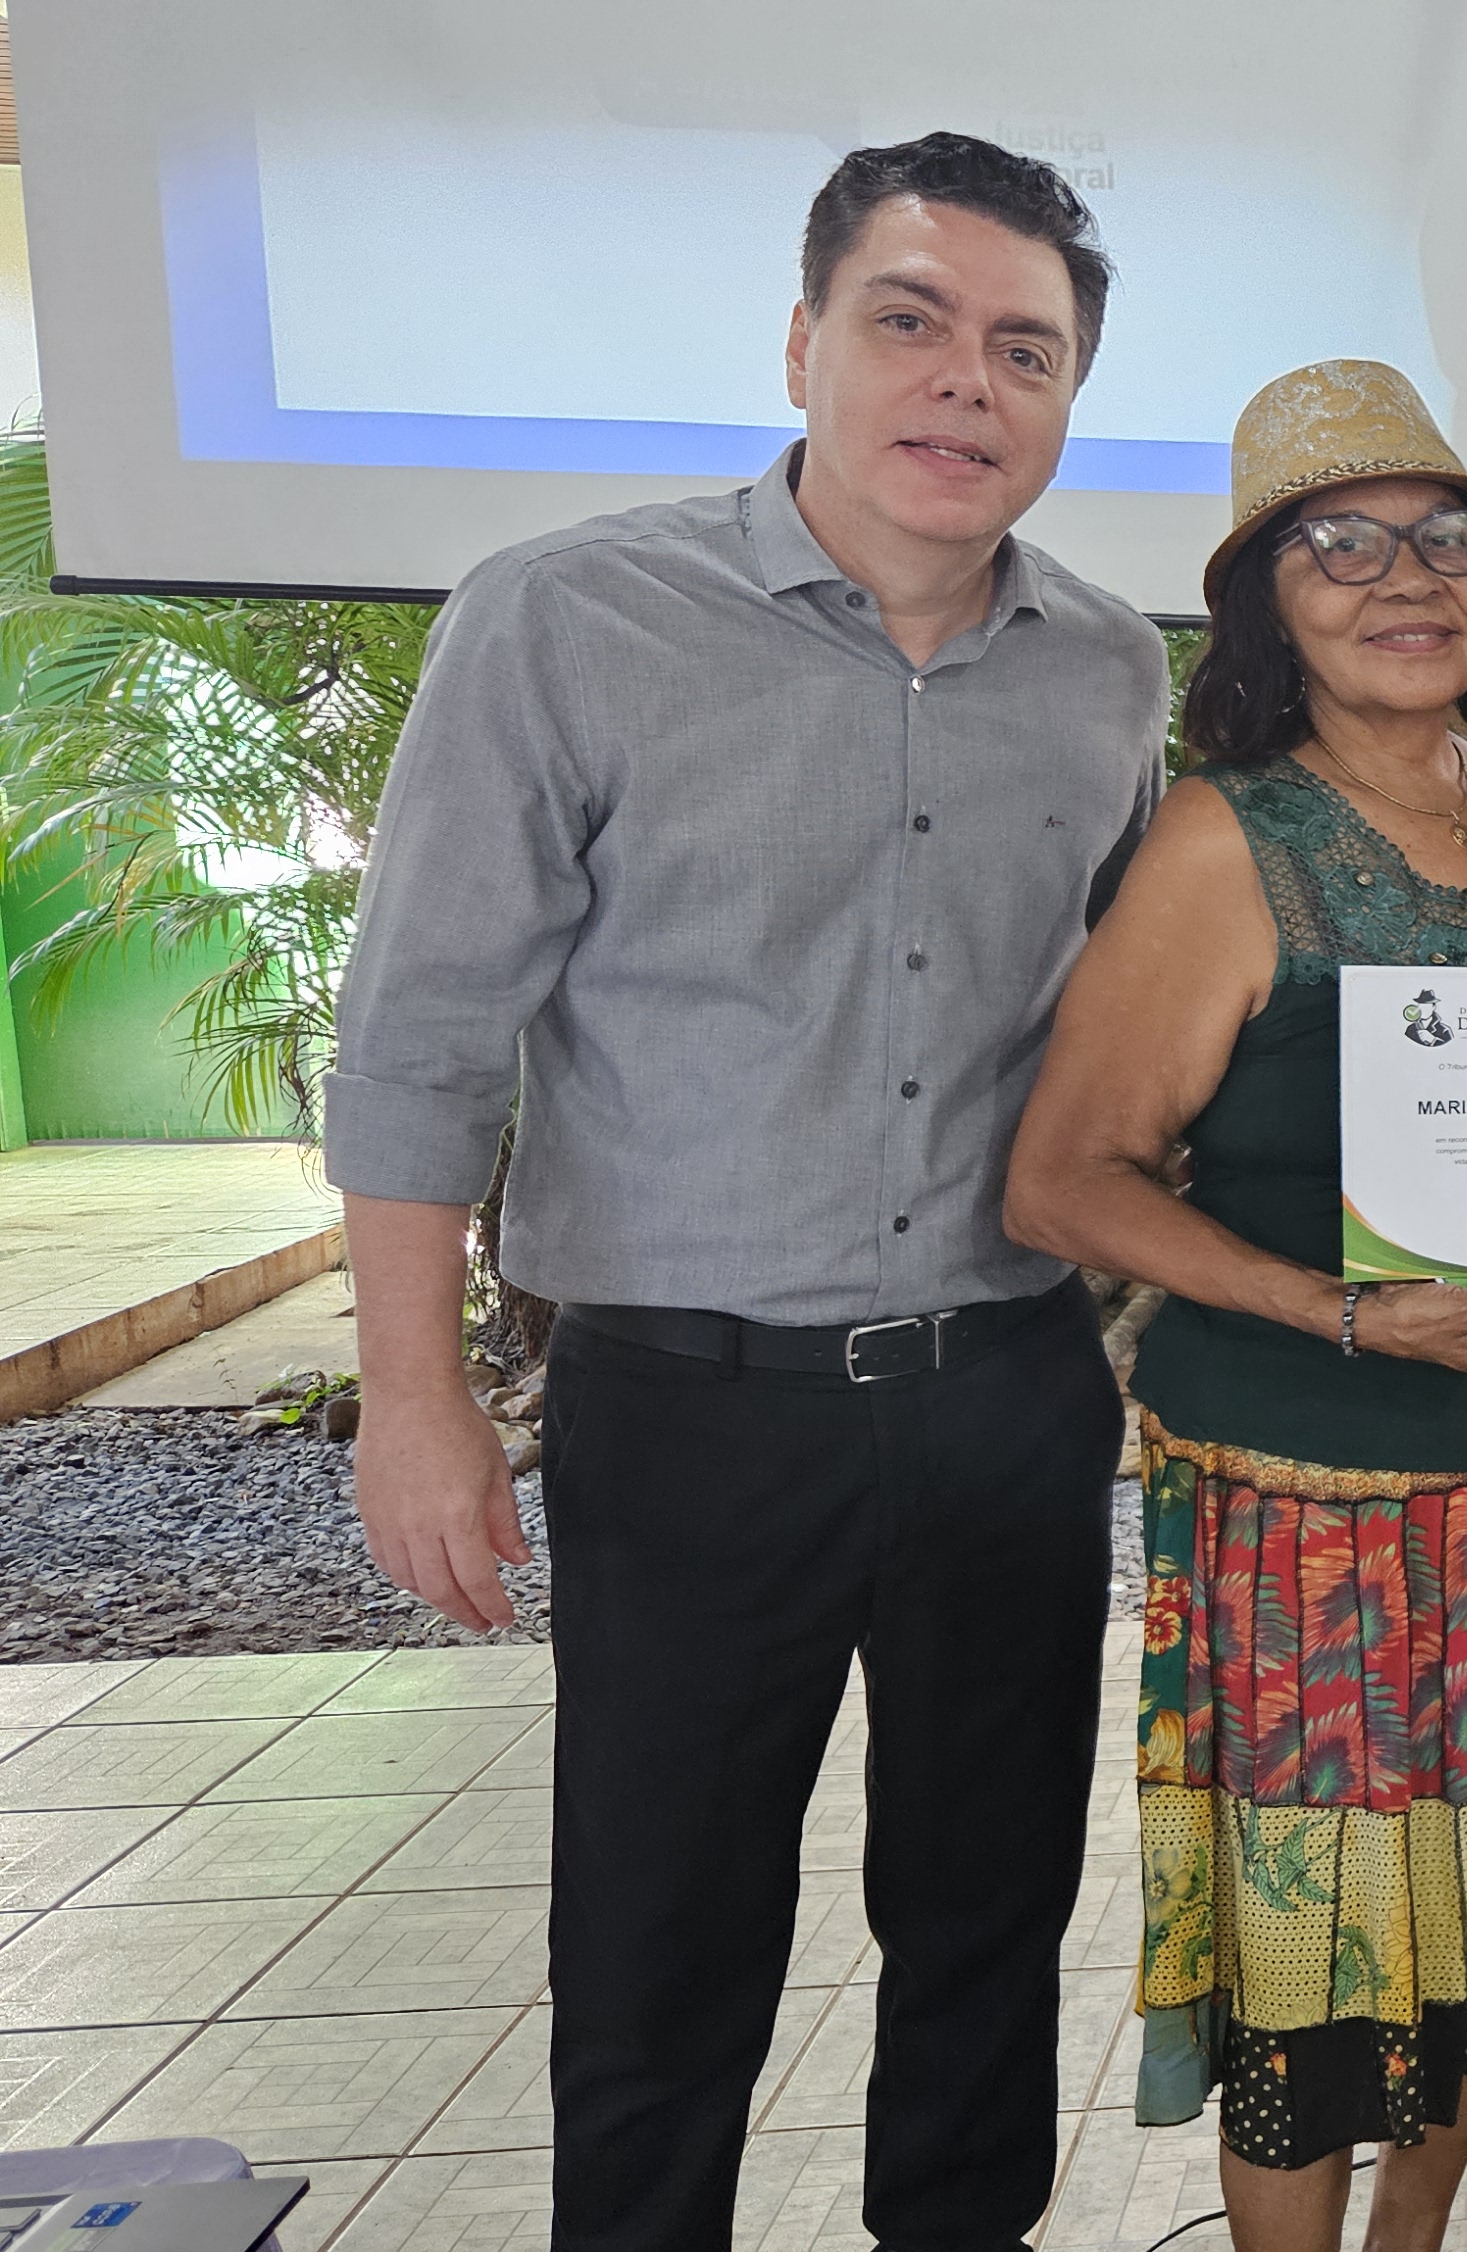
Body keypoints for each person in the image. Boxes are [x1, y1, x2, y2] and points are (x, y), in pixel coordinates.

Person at [324, 136, 1164, 2250]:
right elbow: (422, 1035)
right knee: (659, 1952)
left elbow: (1117, 1034)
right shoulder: (566, 621)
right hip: (689, 1412)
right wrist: (415, 1397)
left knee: (988, 1932)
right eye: (911, 321)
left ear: (1068, 399)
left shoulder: (1106, 670)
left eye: (1026, 350)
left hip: (1006, 1393)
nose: (966, 382)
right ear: (803, 344)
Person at [1003, 361, 1467, 2251]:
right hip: (1316, 1522)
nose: (1407, 580)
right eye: (1341, 547)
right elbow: (1062, 1181)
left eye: (1445, 539)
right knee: (1320, 1993)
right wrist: (1346, 1313)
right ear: (1265, 606)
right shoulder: (1225, 842)